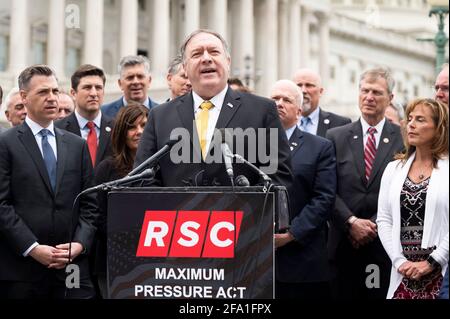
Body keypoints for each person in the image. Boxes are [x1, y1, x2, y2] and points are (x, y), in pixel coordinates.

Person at [135, 29, 292, 187]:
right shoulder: (160, 116)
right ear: (185, 67)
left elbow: (278, 177)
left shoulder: (262, 110)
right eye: (196, 54)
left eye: (214, 52)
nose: (206, 58)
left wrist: (247, 208)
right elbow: (142, 179)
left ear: (228, 62)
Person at [0, 65, 99, 299]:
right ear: (24, 97)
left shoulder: (77, 145)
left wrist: (80, 244)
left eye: (55, 91)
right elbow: (2, 205)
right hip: (22, 270)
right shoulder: (6, 143)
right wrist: (32, 248)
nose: (52, 98)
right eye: (43, 92)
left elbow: (90, 203)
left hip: (71, 269)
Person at [326, 67, 404, 299]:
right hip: (342, 244)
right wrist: (351, 222)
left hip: (384, 245)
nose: (369, 97)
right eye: (365, 91)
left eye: (377, 92)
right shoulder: (335, 136)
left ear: (390, 98)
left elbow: (402, 190)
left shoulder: (403, 138)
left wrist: (371, 225)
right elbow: (327, 187)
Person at [270, 80, 336, 299]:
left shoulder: (319, 147)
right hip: (258, 263)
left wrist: (291, 234)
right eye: (274, 99)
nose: (279, 104)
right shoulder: (250, 144)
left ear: (298, 111)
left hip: (301, 262)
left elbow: (323, 199)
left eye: (286, 100)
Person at [377, 98, 448, 299]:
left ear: (439, 128)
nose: (412, 124)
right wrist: (399, 261)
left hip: (441, 273)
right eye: (409, 119)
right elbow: (384, 220)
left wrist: (433, 262)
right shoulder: (393, 169)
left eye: (420, 120)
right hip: (404, 274)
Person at [94, 103, 148, 298]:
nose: (139, 132)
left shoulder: (161, 168)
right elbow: (96, 215)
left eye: (143, 125)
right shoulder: (107, 168)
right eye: (132, 127)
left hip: (152, 262)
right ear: (121, 133)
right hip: (114, 259)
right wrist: (126, 238)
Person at [55, 64, 114, 168]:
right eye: (87, 87)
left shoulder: (117, 129)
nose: (94, 93)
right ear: (73, 93)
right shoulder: (57, 130)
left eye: (98, 88)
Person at [292, 68, 351, 137]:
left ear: (320, 91)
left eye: (309, 85)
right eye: (299, 85)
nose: (303, 90)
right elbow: (275, 147)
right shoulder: (279, 123)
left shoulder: (340, 124)